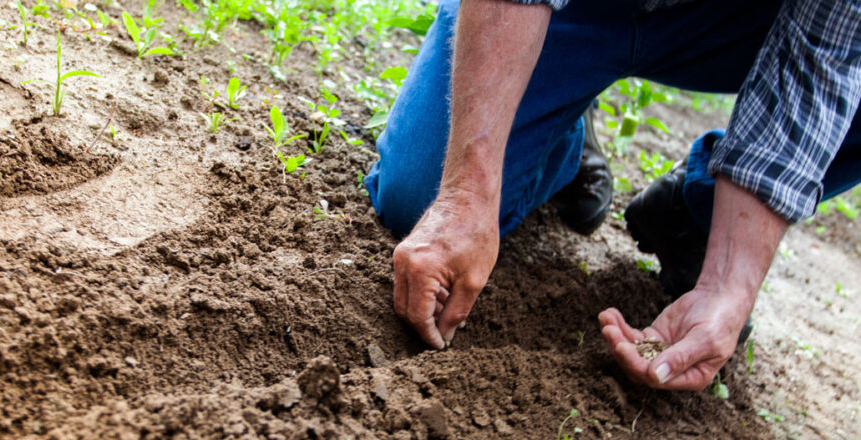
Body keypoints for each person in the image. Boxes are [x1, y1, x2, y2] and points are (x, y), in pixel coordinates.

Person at [364, 0, 861, 391]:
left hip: (737, 21)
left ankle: (699, 216)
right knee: (419, 196)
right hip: (578, 8)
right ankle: (560, 132)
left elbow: (823, 60)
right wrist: (466, 194)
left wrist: (729, 283)